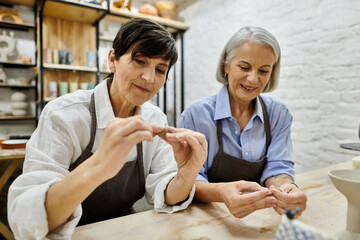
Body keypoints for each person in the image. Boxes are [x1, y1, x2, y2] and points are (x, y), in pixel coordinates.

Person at [8, 18, 207, 239]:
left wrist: (187, 173)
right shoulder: (63, 114)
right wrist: (98, 167)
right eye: (140, 61)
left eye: (160, 70)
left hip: (123, 230)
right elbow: (27, 219)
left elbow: (167, 194)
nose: (149, 78)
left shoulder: (155, 118)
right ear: (113, 60)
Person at [179, 26, 307, 219]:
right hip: (206, 216)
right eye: (244, 67)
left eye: (264, 71)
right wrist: (222, 193)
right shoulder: (196, 116)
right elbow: (188, 180)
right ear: (226, 66)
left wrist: (286, 190)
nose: (253, 79)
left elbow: (278, 167)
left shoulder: (279, 114)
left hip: (259, 217)